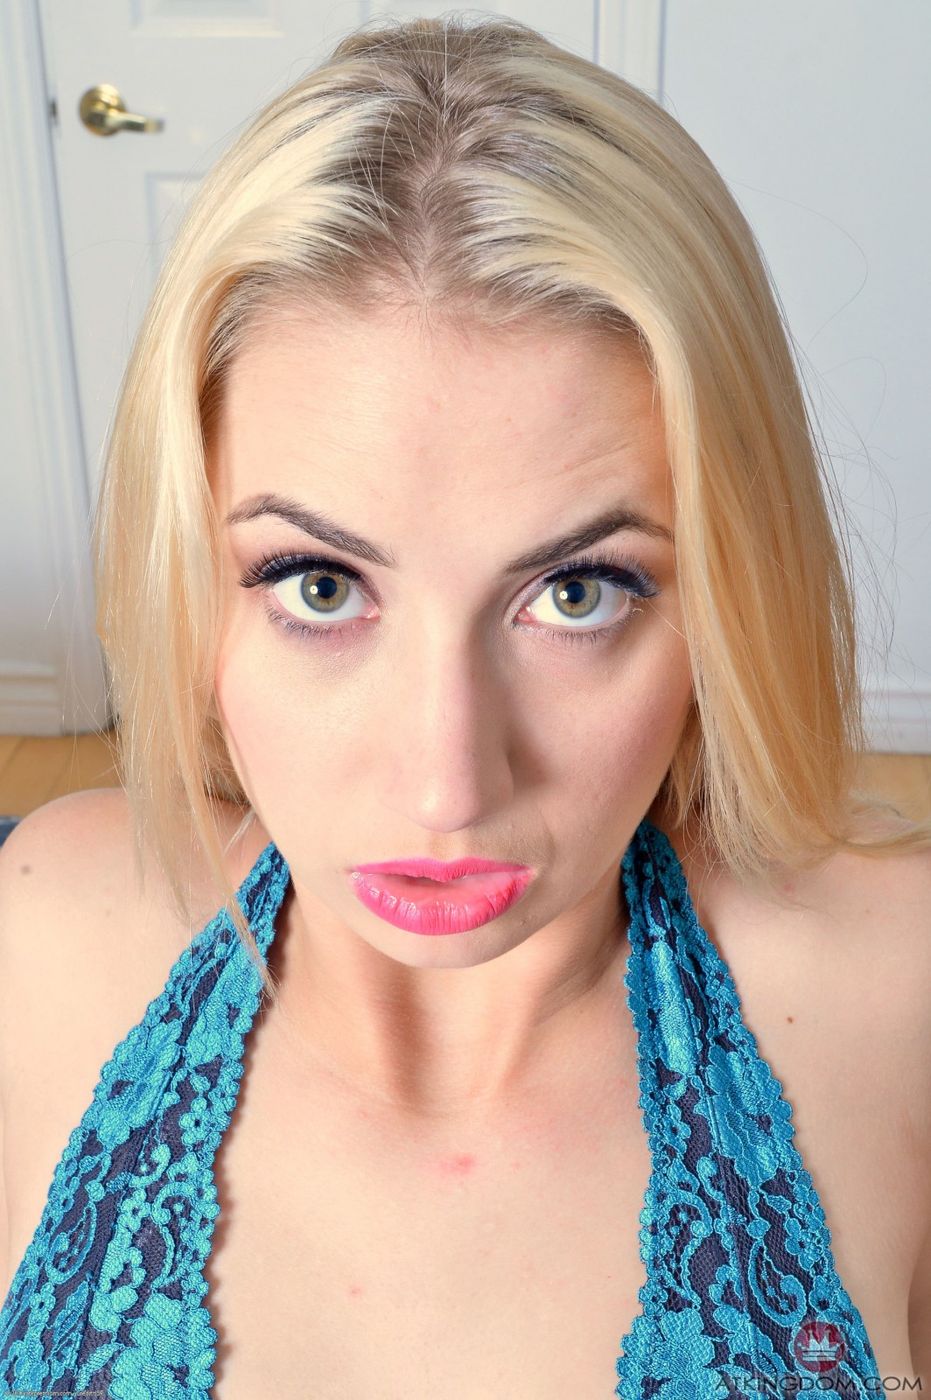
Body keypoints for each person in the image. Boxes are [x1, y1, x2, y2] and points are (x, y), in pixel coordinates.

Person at [0, 15, 929, 1398]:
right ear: (188, 581)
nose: (448, 785)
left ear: (729, 596)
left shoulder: (899, 996)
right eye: (319, 586)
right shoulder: (43, 936)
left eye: (578, 593)